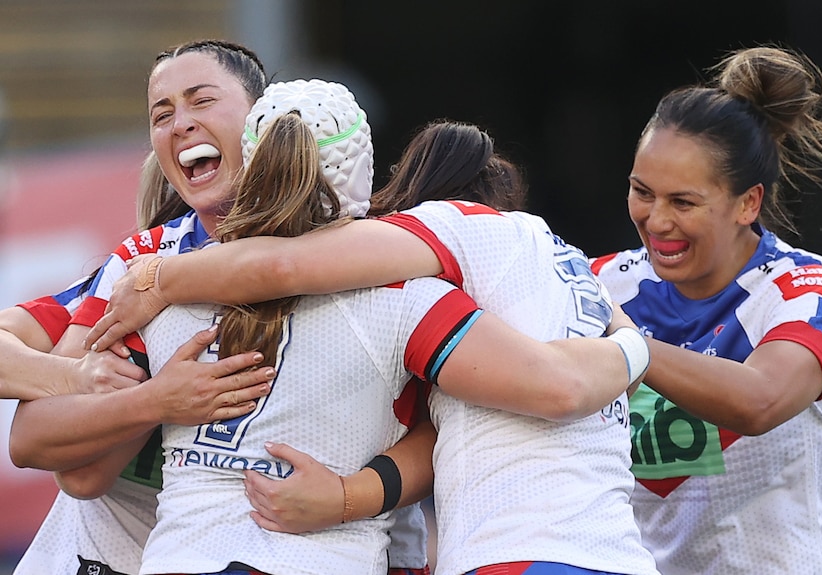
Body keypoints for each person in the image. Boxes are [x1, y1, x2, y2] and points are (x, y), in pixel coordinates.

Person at [87, 118, 660, 575]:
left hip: (517, 549)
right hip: (613, 551)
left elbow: (287, 265)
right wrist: (635, 347)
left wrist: (157, 278)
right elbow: (601, 375)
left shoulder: (446, 239)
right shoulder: (569, 267)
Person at [5, 40, 277, 575]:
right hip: (103, 558)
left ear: (265, 118)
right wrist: (96, 382)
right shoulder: (137, 264)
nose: (180, 124)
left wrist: (355, 495)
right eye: (162, 113)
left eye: (201, 101)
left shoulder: (347, 256)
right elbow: (59, 460)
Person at [588, 46, 822, 574]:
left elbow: (759, 401)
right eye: (642, 192)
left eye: (683, 203)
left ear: (748, 204)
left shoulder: (807, 289)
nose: (656, 220)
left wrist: (627, 346)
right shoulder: (600, 284)